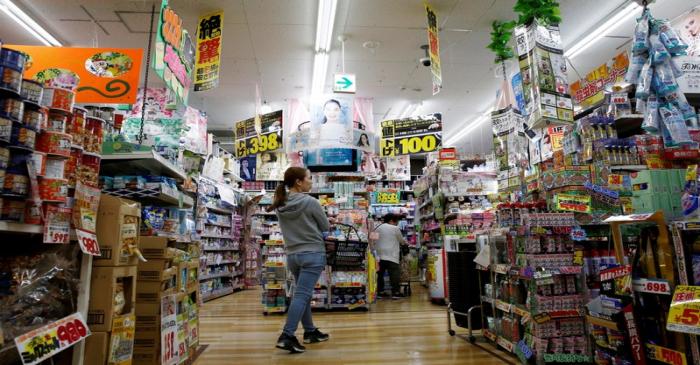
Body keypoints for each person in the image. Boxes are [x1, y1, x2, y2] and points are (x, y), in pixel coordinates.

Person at [268, 167, 331, 353]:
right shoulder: (311, 202)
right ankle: (287, 335)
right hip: (312, 253)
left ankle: (310, 331)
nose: (311, 182)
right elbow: (325, 226)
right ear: (298, 182)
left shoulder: (280, 203)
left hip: (293, 255)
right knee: (302, 295)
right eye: (309, 178)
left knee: (303, 295)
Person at [374, 213, 406, 299]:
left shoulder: (378, 228)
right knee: (394, 273)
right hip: (392, 254)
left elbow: (373, 240)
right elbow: (401, 240)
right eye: (396, 222)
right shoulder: (395, 228)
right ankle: (395, 292)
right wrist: (405, 243)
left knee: (379, 274)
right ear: (391, 220)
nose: (397, 223)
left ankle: (380, 292)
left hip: (379, 255)